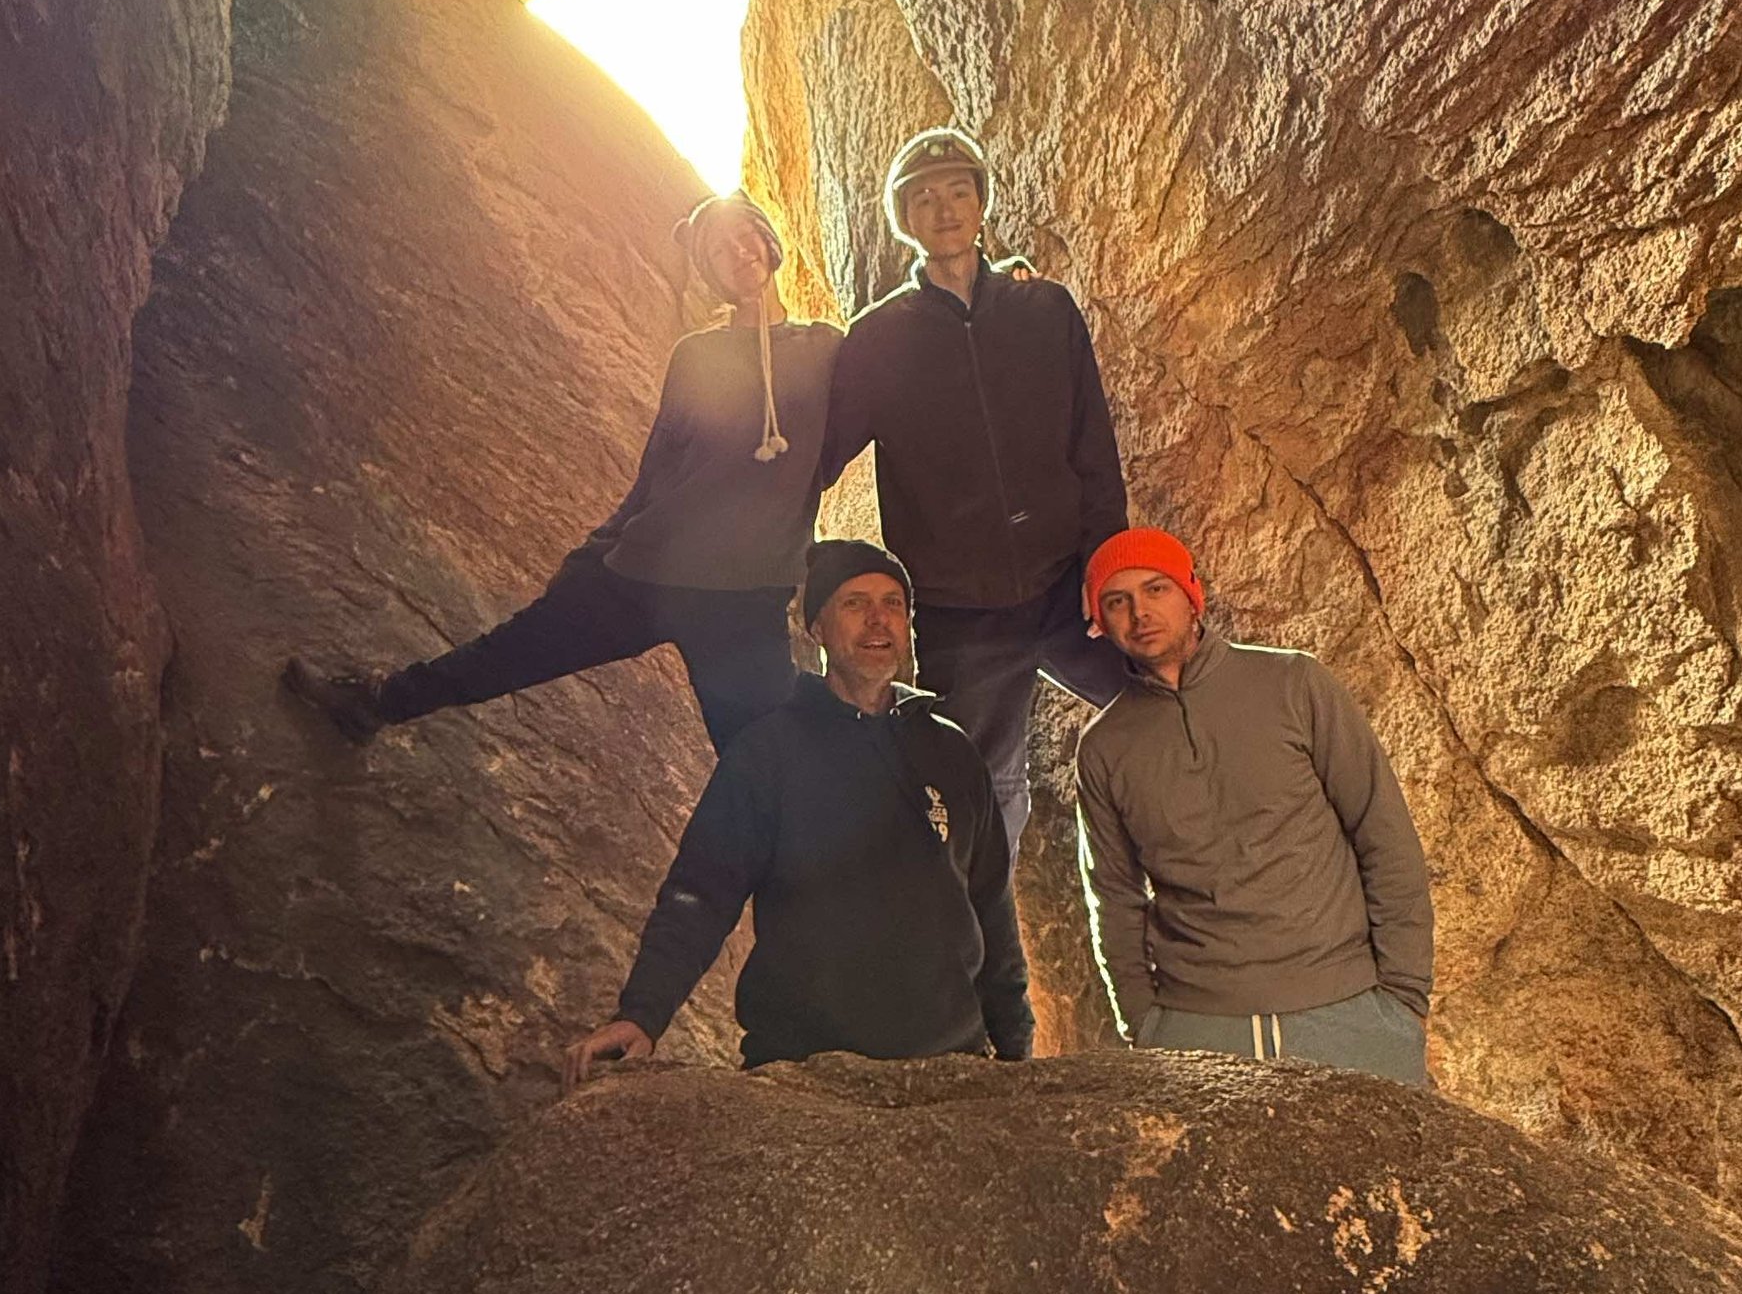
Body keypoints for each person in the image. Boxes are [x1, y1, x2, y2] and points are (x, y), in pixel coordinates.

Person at [283, 193, 837, 758]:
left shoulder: (826, 349)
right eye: (717, 250)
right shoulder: (697, 356)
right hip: (646, 571)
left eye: (742, 234)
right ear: (709, 275)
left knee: (765, 760)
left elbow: (852, 435)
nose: (737, 252)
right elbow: (657, 473)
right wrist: (597, 549)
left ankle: (797, 847)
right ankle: (375, 703)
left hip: (742, 599)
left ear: (768, 238)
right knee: (513, 650)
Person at [565, 539, 1032, 1083]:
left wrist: (1016, 1052)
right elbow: (701, 892)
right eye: (855, 603)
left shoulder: (951, 751)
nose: (878, 620)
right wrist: (641, 1015)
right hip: (805, 1069)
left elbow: (992, 906)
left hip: (949, 1065)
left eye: (893, 604)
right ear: (817, 628)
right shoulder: (769, 751)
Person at [821, 126, 1127, 852]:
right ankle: (978, 951)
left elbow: (1093, 446)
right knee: (979, 796)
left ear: (982, 203)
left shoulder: (1045, 310)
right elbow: (817, 459)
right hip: (963, 613)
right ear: (904, 219)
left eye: (960, 190)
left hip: (1066, 586)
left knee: (1170, 708)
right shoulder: (877, 340)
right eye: (924, 198)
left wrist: (1108, 563)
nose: (946, 208)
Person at [1074, 526, 1434, 1083]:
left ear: (1192, 596)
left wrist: (1404, 998)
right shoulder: (1104, 746)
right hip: (1195, 1029)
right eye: (1116, 601)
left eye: (1155, 590)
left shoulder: (1294, 683)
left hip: (1351, 1015)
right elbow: (1113, 898)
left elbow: (1382, 833)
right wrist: (1144, 1025)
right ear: (1101, 620)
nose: (1139, 613)